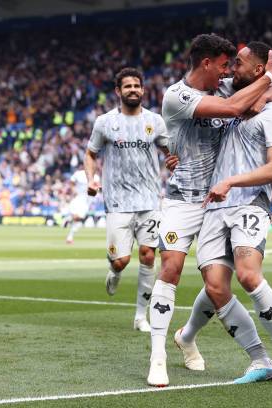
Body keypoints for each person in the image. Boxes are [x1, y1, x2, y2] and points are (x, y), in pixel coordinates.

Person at [147, 33, 272, 387]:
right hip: (182, 199)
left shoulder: (223, 86)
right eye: (224, 66)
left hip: (217, 202)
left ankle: (189, 336)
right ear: (206, 63)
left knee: (217, 282)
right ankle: (157, 355)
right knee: (171, 266)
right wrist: (265, 81)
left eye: (232, 67)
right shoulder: (177, 96)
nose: (228, 73)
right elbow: (234, 108)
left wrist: (267, 91)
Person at [176, 42, 272, 385]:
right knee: (216, 285)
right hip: (215, 207)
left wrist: (232, 180)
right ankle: (260, 361)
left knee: (249, 275)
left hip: (249, 202)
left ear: (258, 71)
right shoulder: (230, 95)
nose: (232, 69)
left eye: (239, 64)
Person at [85, 67, 171, 333]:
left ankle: (140, 317)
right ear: (118, 91)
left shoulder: (155, 121)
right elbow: (91, 154)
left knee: (148, 256)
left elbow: (170, 153)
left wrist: (175, 163)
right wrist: (91, 180)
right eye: (127, 86)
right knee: (121, 260)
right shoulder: (105, 123)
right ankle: (115, 271)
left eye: (137, 86)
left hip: (149, 200)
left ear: (143, 90)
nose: (133, 90)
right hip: (117, 201)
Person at [64, 164, 97, 244]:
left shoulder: (95, 176)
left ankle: (68, 220)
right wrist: (73, 189)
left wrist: (94, 191)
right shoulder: (78, 174)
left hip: (87, 200)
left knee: (79, 219)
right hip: (78, 197)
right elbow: (71, 181)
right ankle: (70, 237)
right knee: (77, 218)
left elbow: (96, 188)